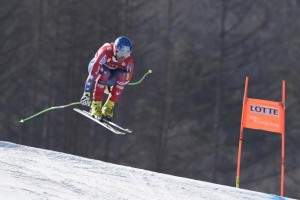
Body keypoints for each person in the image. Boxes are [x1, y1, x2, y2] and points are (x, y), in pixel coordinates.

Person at [80, 36, 134, 121]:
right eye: (121, 54)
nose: (123, 57)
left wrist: (111, 88)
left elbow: (127, 79)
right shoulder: (105, 52)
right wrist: (86, 93)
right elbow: (92, 74)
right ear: (115, 50)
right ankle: (95, 106)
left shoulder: (128, 61)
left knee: (122, 75)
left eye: (126, 54)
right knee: (105, 73)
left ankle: (108, 107)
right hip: (96, 68)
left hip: (111, 74)